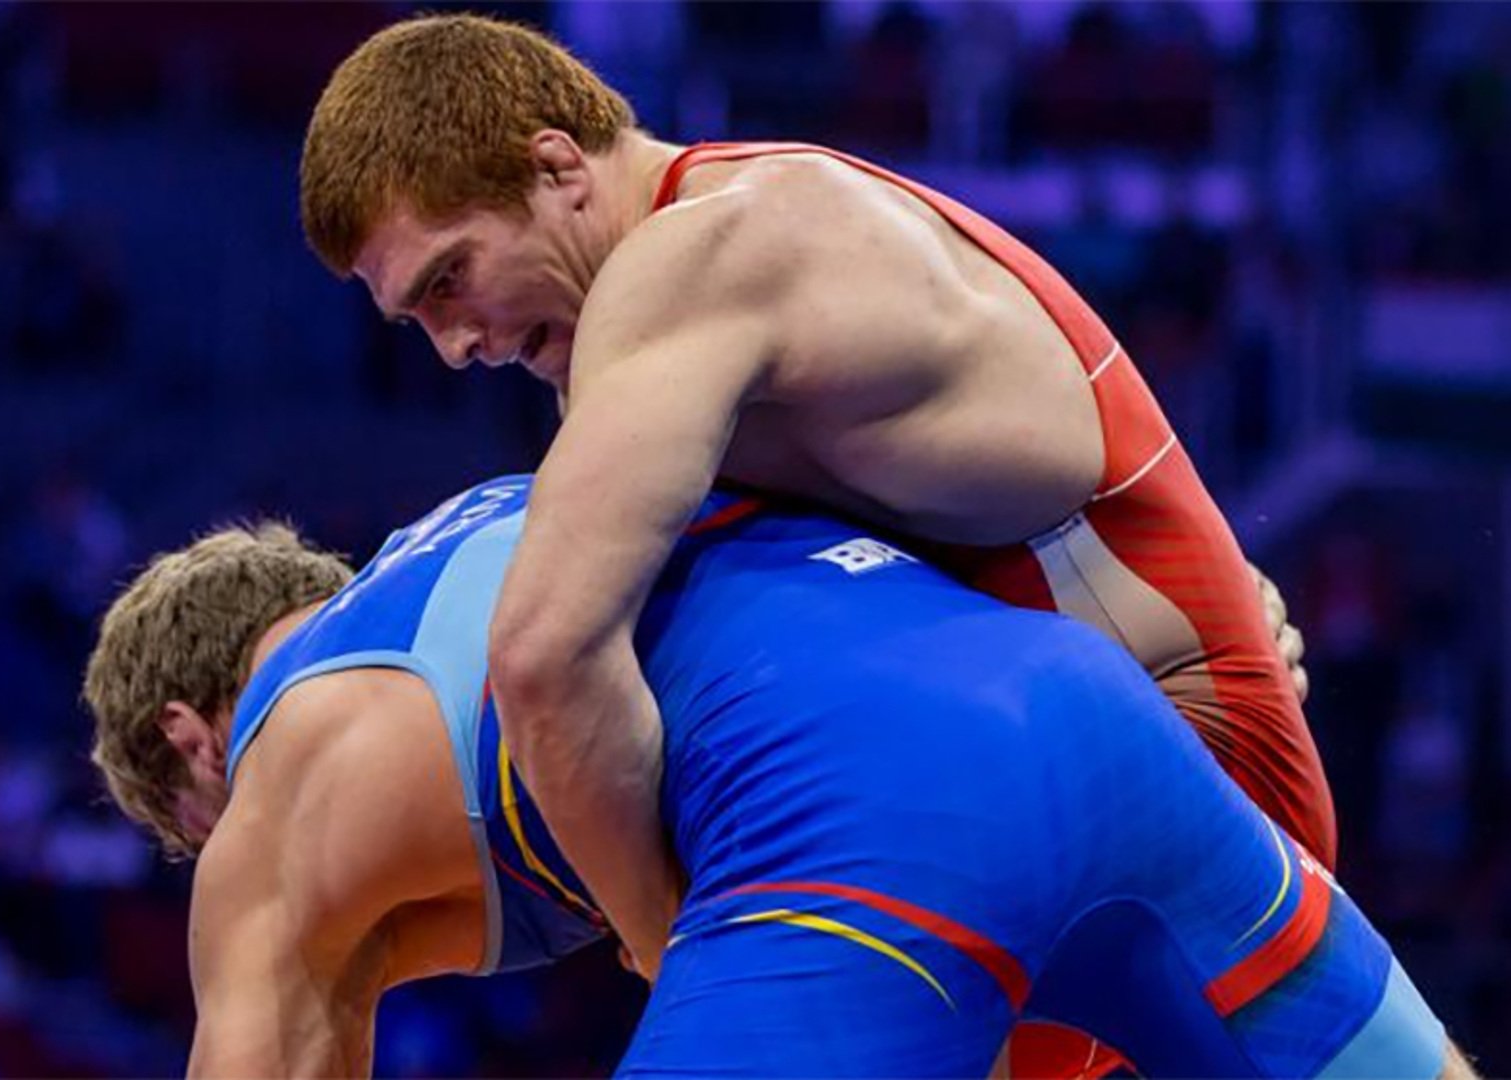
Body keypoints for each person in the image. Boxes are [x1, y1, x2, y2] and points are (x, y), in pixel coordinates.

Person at [297, 16, 1337, 997]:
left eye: (450, 279)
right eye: (416, 317)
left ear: (558, 168)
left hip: (1181, 753)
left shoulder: (701, 261)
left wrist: (665, 941)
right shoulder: (676, 290)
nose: (455, 346)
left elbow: (545, 656)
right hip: (1084, 747)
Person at [82, 478, 1470, 1078]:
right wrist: (1209, 613)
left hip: (877, 820)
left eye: (190, 834)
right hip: (1095, 712)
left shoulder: (281, 782)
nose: (214, 860)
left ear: (194, 740)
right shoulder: (534, 509)